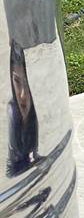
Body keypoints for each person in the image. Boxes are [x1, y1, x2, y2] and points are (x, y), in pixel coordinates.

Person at [6, 38, 40, 177]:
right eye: (17, 82)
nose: (22, 94)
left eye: (27, 84)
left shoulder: (34, 116)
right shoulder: (12, 114)